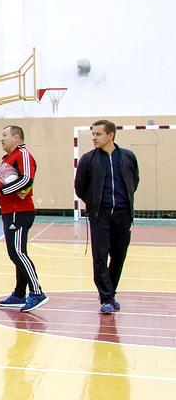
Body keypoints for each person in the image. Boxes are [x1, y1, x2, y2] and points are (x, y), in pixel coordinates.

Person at [0, 125, 47, 312]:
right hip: (10, 211)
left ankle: (37, 292)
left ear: (16, 137)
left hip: (20, 211)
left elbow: (26, 180)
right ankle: (19, 294)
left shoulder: (23, 155)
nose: (1, 139)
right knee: (17, 253)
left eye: (5, 135)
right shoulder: (7, 158)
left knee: (17, 253)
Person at [75, 119, 140, 314]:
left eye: (98, 134)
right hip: (99, 215)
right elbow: (80, 188)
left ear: (110, 135)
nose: (94, 138)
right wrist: (94, 203)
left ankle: (110, 293)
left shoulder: (128, 157)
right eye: (93, 134)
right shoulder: (88, 159)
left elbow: (134, 181)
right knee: (100, 257)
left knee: (119, 255)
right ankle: (106, 298)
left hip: (123, 214)